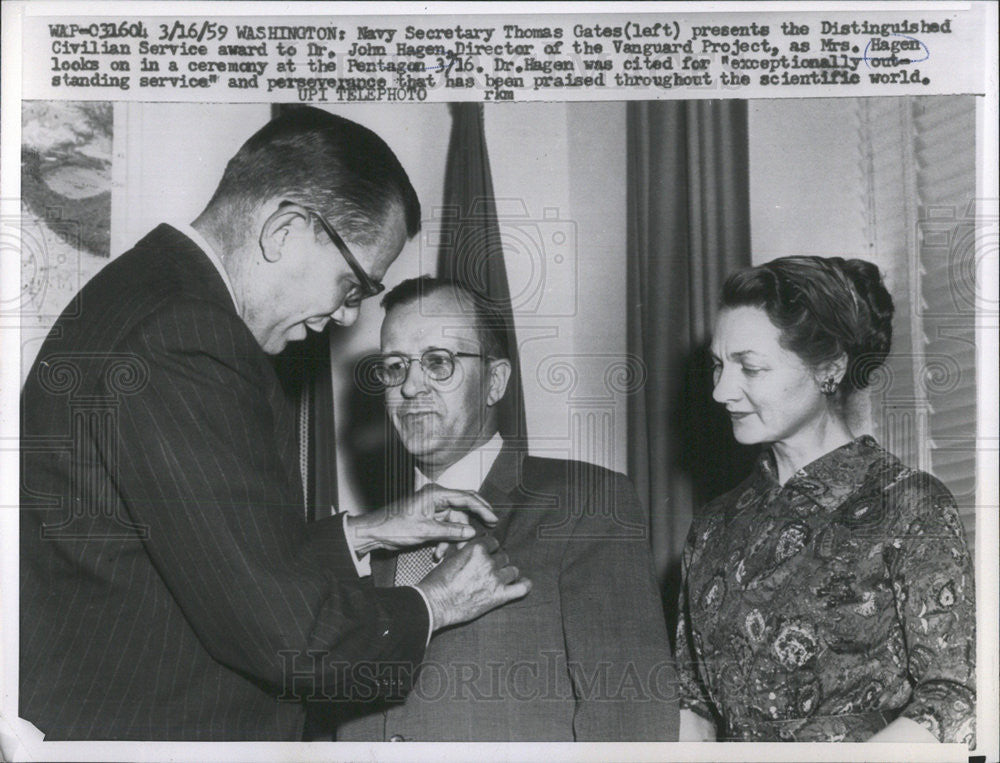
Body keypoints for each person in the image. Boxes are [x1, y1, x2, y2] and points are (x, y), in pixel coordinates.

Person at [19, 107, 530, 741]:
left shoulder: (143, 294)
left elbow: (199, 559)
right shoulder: (185, 338)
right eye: (352, 286)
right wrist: (435, 602)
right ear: (286, 230)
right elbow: (289, 636)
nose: (346, 320)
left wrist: (366, 533)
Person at [334, 276, 679, 742]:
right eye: (394, 367)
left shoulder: (584, 504)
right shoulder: (367, 537)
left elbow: (628, 717)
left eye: (438, 363)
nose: (410, 386)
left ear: (495, 381)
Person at [676, 256, 976, 744]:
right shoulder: (713, 524)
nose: (721, 391)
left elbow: (953, 698)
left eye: (749, 368)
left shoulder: (911, 506)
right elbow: (694, 702)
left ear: (830, 369)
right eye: (717, 365)